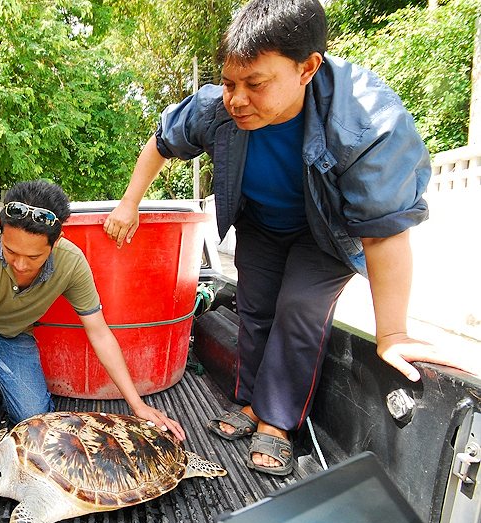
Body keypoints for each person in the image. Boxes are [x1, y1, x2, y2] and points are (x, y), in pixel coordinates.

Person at [103, 0, 475, 476]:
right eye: (231, 82)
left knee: (298, 307)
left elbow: (384, 232)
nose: (237, 99)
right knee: (255, 306)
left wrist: (392, 333)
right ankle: (253, 403)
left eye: (255, 85)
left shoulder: (364, 121)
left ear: (307, 68)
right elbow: (160, 142)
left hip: (326, 231)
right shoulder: (217, 107)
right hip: (261, 220)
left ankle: (278, 423)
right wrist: (129, 202)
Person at [0, 180, 185, 473]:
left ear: (55, 243)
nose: (20, 264)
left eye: (33, 257)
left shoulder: (71, 262)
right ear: (0, 233)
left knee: (34, 421)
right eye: (10, 251)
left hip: (11, 338)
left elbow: (100, 334)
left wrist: (138, 405)